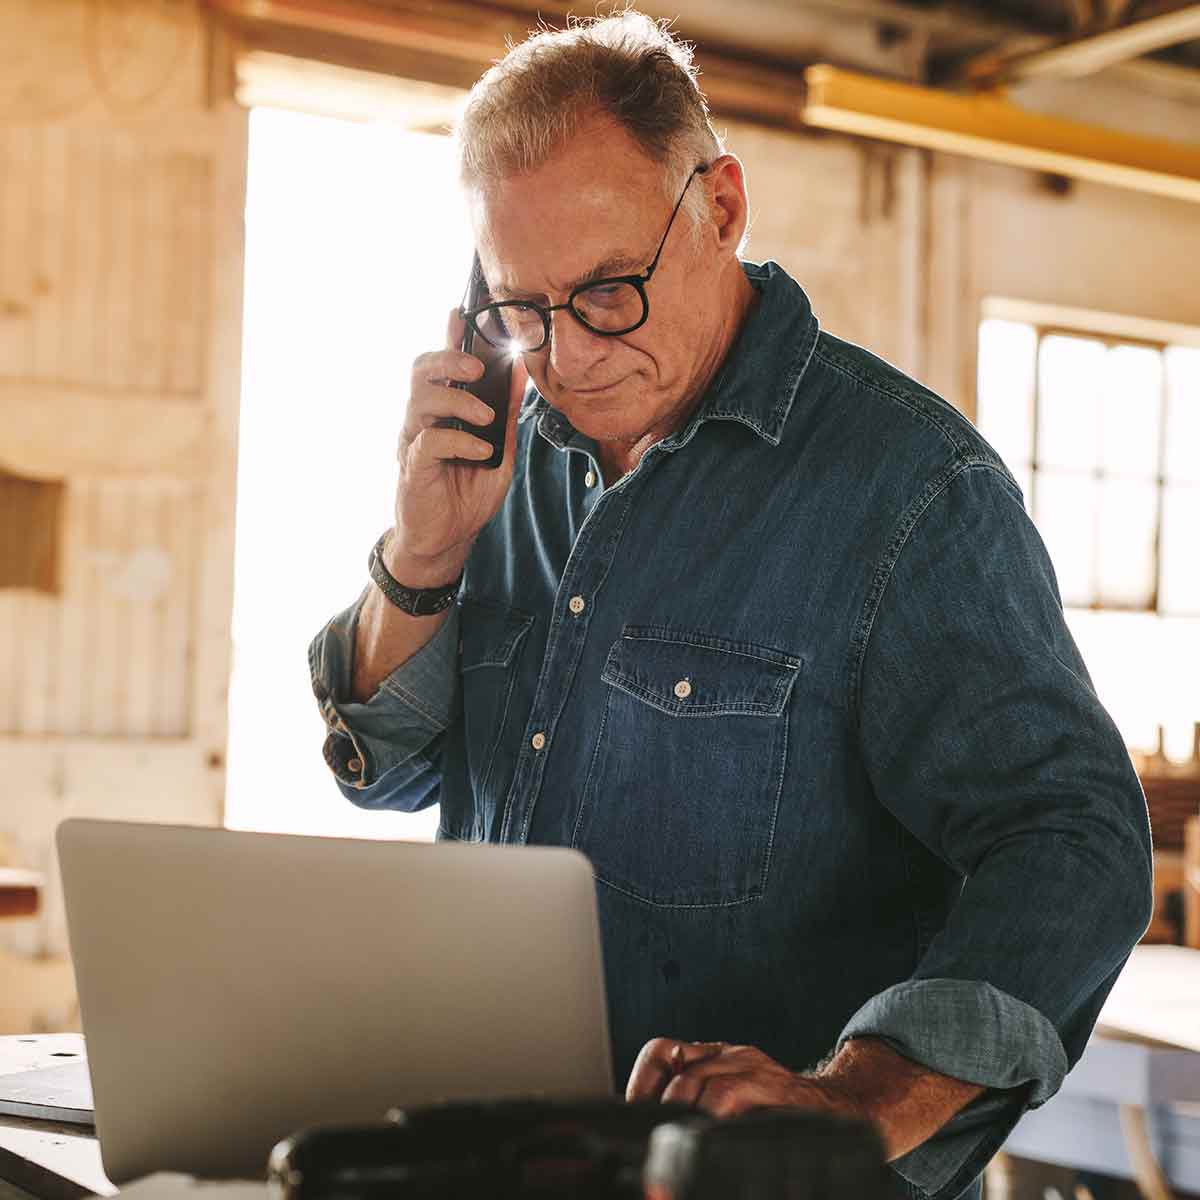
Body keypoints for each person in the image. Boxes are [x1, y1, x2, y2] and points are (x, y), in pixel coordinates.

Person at [308, 13, 1152, 1200]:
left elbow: (1075, 843)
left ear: (720, 206)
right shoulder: (504, 461)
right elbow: (380, 769)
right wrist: (423, 552)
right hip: (501, 1158)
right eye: (521, 310)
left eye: (607, 291)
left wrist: (853, 1102)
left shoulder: (910, 491)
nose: (567, 357)